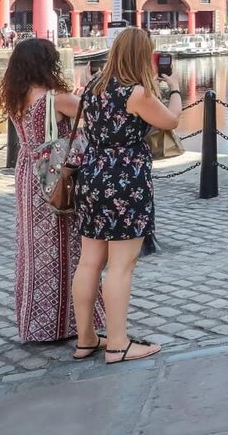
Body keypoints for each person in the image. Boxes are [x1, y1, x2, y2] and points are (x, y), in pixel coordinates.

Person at [72, 27, 181, 365]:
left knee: (90, 261)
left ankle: (86, 339)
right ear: (142, 56)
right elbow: (172, 120)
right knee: (121, 265)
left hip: (92, 176)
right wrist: (173, 87)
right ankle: (118, 344)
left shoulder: (93, 87)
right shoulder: (135, 93)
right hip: (124, 180)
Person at [0, 39, 103, 346]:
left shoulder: (16, 98)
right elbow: (94, 121)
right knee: (66, 249)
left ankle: (34, 321)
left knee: (32, 248)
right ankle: (66, 322)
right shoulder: (55, 99)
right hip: (56, 175)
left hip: (27, 171)